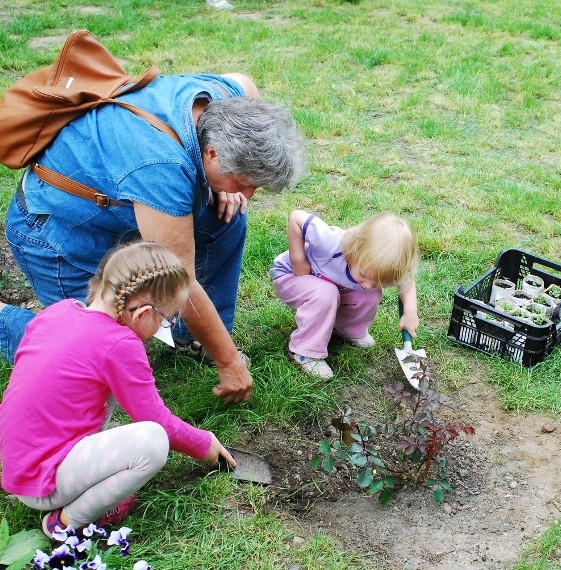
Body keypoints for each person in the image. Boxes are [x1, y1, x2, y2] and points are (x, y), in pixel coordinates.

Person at [0, 71, 306, 403]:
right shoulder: (161, 167)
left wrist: (230, 187)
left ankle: (193, 336)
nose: (250, 193)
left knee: (227, 218)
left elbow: (246, 81)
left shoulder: (229, 97)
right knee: (95, 347)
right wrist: (229, 362)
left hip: (121, 206)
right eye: (243, 181)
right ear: (213, 153)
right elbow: (180, 280)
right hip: (56, 232)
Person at [0, 241, 237, 538]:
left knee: (105, 393)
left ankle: (80, 482)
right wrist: (203, 444)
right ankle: (65, 521)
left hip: (20, 460)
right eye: (168, 319)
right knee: (152, 442)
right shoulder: (120, 345)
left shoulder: (60, 311)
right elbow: (157, 421)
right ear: (143, 314)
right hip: (45, 480)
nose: (165, 325)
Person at [270, 210, 419, 378]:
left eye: (377, 281)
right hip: (291, 276)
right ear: (355, 249)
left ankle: (347, 329)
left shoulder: (383, 269)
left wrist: (410, 311)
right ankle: (305, 351)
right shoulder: (330, 242)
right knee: (326, 293)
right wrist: (298, 260)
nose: (368, 284)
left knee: (370, 295)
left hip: (329, 285)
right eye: (364, 275)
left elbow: (407, 282)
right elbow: (297, 218)